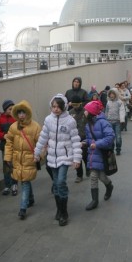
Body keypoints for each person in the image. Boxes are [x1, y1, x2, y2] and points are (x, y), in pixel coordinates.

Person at [34, 94, 82, 226]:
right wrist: (37, 153)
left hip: (65, 157)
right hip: (52, 157)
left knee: (61, 182)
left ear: (64, 107)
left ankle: (64, 212)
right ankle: (59, 210)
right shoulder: (48, 120)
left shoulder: (70, 121)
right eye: (53, 106)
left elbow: (75, 141)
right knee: (56, 185)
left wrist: (77, 158)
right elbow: (43, 138)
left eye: (58, 107)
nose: (55, 109)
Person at [4, 100, 42, 219]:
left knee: (25, 182)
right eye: (19, 112)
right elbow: (9, 143)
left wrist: (39, 155)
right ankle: (30, 199)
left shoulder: (35, 126)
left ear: (28, 113)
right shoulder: (13, 127)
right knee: (25, 180)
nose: (21, 115)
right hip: (17, 159)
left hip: (29, 159)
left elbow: (41, 142)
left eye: (23, 112)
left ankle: (23, 207)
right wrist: (8, 157)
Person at [83, 100, 115, 211]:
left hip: (102, 154)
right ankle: (94, 200)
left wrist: (95, 144)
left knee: (101, 176)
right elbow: (89, 139)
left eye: (86, 111)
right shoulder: (88, 124)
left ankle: (109, 186)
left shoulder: (103, 123)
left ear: (91, 112)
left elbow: (110, 137)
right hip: (93, 155)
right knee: (93, 176)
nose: (84, 112)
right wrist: (85, 142)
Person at [0, 99, 18, 196]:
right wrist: (3, 135)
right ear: (5, 110)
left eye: (13, 109)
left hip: (15, 145)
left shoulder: (16, 119)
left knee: (14, 165)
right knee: (6, 166)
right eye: (9, 109)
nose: (11, 111)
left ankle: (14, 184)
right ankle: (7, 185)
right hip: (4, 146)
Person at [68, 95, 89, 183]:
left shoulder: (86, 111)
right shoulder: (70, 112)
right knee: (77, 157)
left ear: (80, 103)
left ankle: (88, 169)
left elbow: (90, 123)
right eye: (73, 105)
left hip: (84, 137)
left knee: (85, 156)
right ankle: (79, 175)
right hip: (74, 138)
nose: (75, 106)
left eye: (76, 105)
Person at [104, 88, 126, 155]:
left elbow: (122, 111)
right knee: (111, 136)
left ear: (116, 94)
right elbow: (106, 112)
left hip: (117, 122)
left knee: (118, 136)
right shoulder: (108, 102)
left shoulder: (119, 102)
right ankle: (111, 148)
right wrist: (105, 119)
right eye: (110, 94)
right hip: (109, 121)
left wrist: (122, 119)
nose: (112, 95)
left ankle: (118, 148)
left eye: (113, 94)